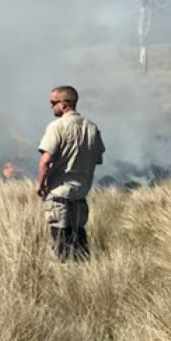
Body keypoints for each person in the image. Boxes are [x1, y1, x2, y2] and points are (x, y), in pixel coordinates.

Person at [36, 86, 104, 261]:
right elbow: (97, 158)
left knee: (60, 242)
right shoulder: (92, 128)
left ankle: (63, 280)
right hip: (81, 194)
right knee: (79, 242)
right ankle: (84, 278)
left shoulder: (56, 127)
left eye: (53, 103)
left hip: (59, 194)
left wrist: (41, 185)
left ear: (65, 104)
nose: (51, 106)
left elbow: (45, 161)